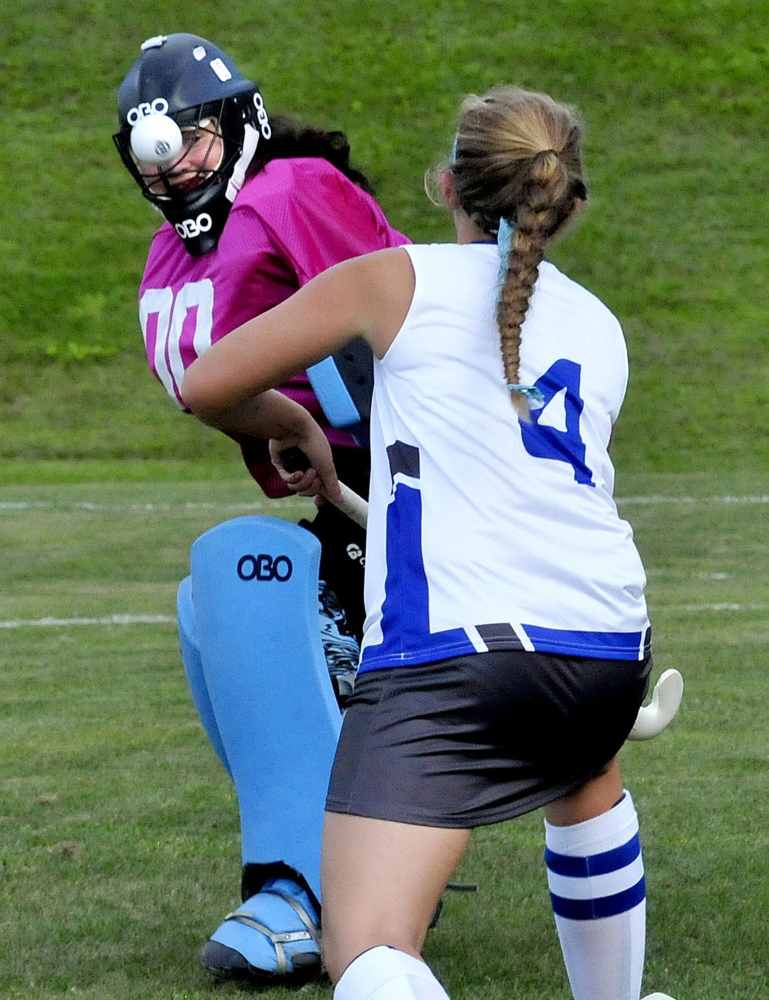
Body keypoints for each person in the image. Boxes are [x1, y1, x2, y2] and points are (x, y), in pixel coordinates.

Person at [181, 86, 678, 1000]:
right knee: (582, 773)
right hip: (611, 647)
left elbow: (205, 382)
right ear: (569, 202)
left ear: (445, 184)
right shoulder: (600, 329)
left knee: (364, 947)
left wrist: (286, 418)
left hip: (454, 657)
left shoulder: (390, 277)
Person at [112, 32, 408, 985]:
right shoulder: (173, 246)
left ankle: (310, 891)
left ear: (238, 123)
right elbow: (220, 387)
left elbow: (398, 325)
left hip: (418, 494)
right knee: (210, 606)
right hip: (349, 500)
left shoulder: (289, 191)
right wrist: (272, 425)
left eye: (194, 137)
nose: (177, 163)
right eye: (158, 145)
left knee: (240, 564)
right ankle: (363, 868)